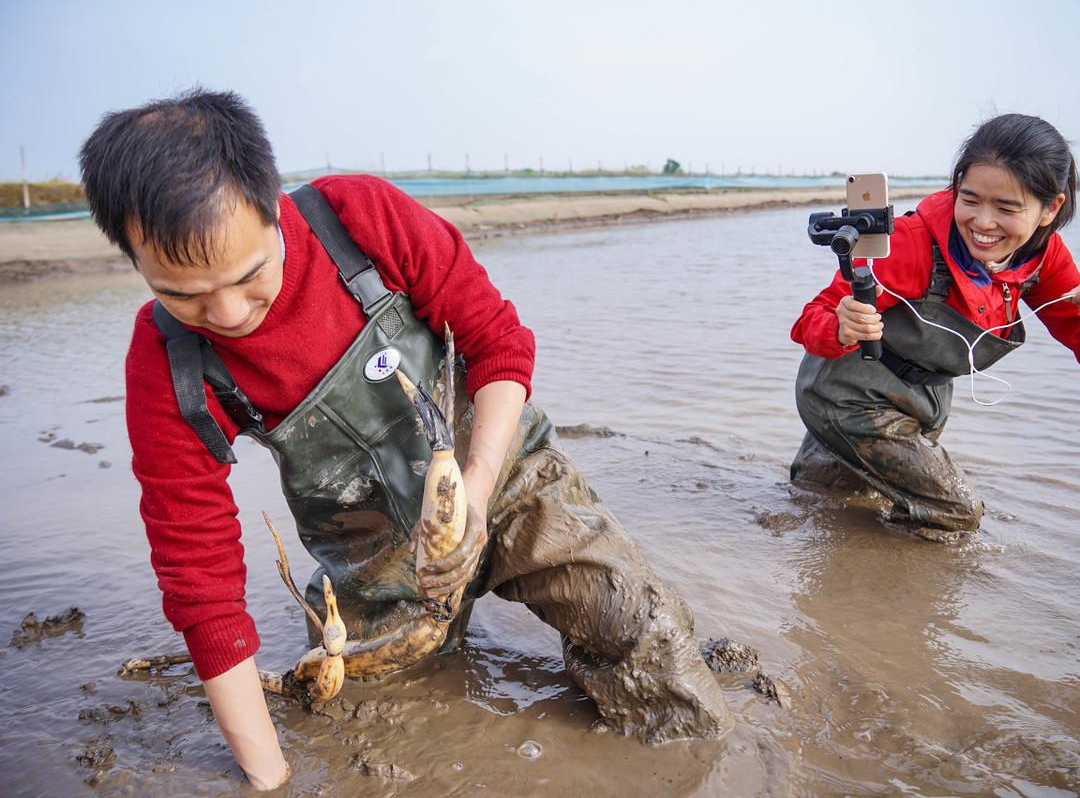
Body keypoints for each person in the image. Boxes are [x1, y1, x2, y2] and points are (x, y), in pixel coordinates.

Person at [80, 89, 731, 790]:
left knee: (643, 635)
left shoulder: (358, 220)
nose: (230, 314)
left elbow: (497, 343)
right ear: (133, 259)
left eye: (250, 277)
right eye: (186, 296)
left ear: (274, 206)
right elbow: (198, 572)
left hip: (505, 478)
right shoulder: (167, 362)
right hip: (373, 557)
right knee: (369, 722)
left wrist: (476, 490)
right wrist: (267, 776)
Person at [790, 114, 1080, 542]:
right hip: (845, 394)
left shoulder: (1044, 259)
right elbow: (815, 314)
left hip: (921, 403)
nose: (983, 222)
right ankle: (895, 594)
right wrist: (841, 325)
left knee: (826, 497)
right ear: (956, 186)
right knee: (956, 512)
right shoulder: (911, 241)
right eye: (970, 199)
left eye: (1007, 208)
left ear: (1051, 208)